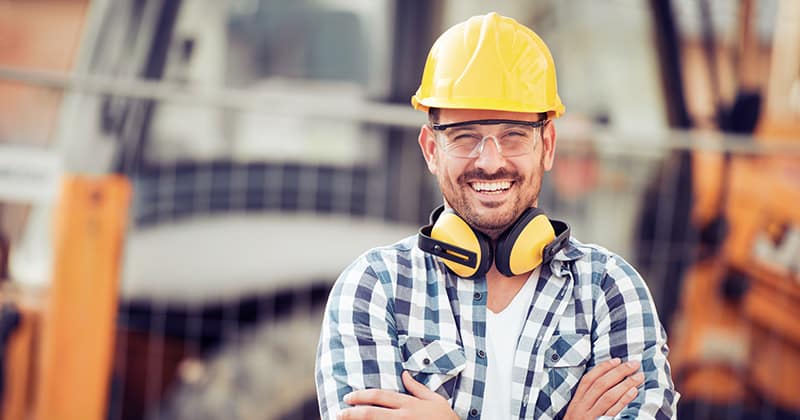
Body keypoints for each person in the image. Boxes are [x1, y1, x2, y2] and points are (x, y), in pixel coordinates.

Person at [315, 12, 678, 420]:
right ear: (432, 150)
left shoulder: (610, 292)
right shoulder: (374, 289)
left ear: (548, 144)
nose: (490, 162)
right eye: (465, 136)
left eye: (514, 135)